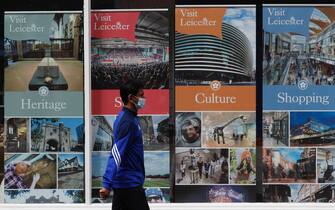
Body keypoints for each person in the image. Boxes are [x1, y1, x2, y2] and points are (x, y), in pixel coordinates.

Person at [99, 80, 149, 210]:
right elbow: (116, 152)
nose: (144, 98)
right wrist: (106, 184)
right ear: (131, 98)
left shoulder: (132, 118)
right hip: (128, 186)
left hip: (130, 184)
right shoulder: (126, 121)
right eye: (141, 95)